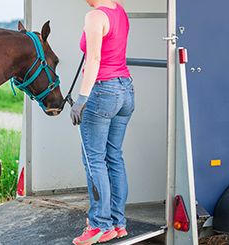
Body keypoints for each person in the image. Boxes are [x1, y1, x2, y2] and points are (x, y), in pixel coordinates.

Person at [69, 0, 134, 244]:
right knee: (114, 156)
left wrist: (81, 100)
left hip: (103, 91)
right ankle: (118, 223)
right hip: (125, 89)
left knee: (94, 159)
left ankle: (99, 226)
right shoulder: (119, 10)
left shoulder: (95, 16)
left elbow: (94, 58)